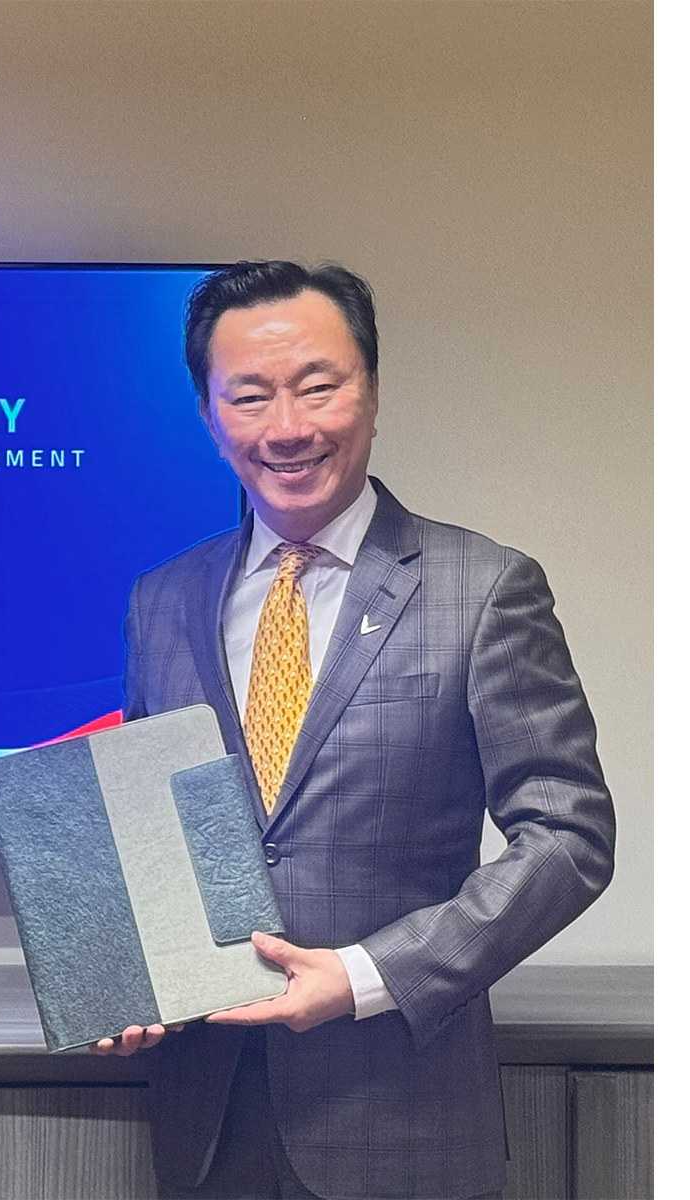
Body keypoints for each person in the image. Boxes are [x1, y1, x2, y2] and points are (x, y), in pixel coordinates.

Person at [98, 261, 615, 1199]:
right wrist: (122, 975)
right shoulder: (162, 599)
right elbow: (152, 842)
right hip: (203, 1122)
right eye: (248, 396)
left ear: (372, 393)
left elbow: (570, 838)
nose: (287, 427)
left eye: (318, 386)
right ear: (210, 421)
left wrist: (365, 973)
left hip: (399, 1111)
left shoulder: (484, 589)